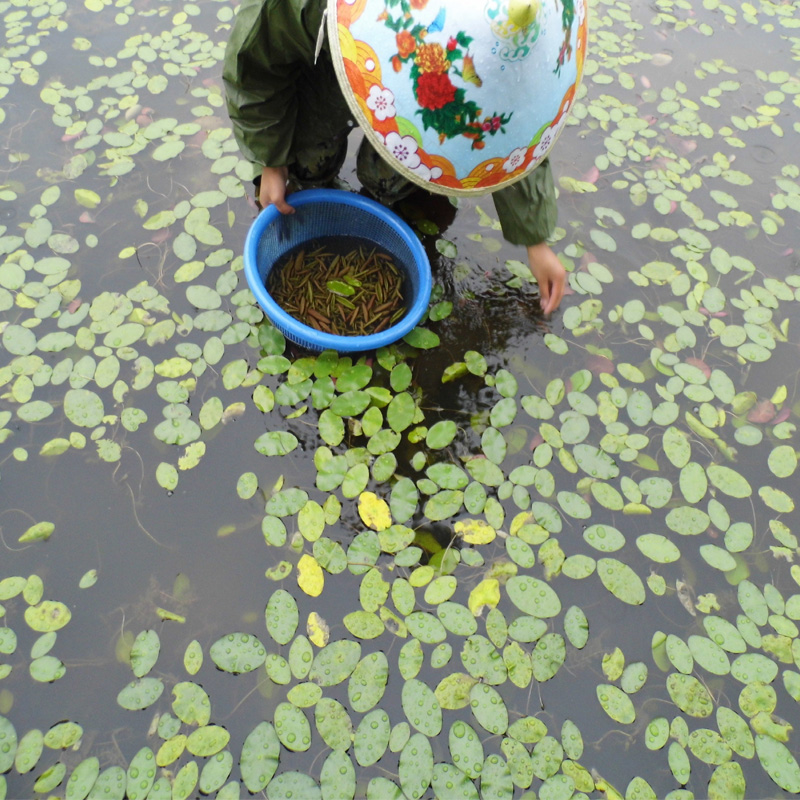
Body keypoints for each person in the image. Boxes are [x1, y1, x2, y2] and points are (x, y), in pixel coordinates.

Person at [223, 0, 567, 314]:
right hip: (327, 53)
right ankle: (304, 169)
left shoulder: (510, 38)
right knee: (305, 161)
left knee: (399, 171)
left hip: (424, 90)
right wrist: (271, 161)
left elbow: (514, 126)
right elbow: (255, 66)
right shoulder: (307, 8)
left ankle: (388, 185)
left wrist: (534, 239)